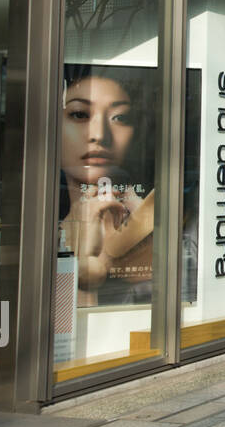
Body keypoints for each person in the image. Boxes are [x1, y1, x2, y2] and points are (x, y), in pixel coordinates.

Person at [59, 67, 155, 306]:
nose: (99, 135)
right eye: (80, 115)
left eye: (120, 118)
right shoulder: (33, 227)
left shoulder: (157, 215)